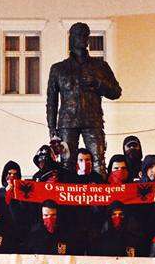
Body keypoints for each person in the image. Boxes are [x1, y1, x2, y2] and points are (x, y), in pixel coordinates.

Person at [46, 21, 123, 175]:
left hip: (92, 120)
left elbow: (116, 92)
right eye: (78, 35)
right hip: (67, 122)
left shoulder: (100, 66)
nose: (82, 38)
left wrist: (98, 83)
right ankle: (68, 191)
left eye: (85, 35)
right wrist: (52, 128)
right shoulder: (58, 69)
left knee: (98, 162)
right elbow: (51, 101)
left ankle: (99, 190)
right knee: (67, 164)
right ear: (71, 38)